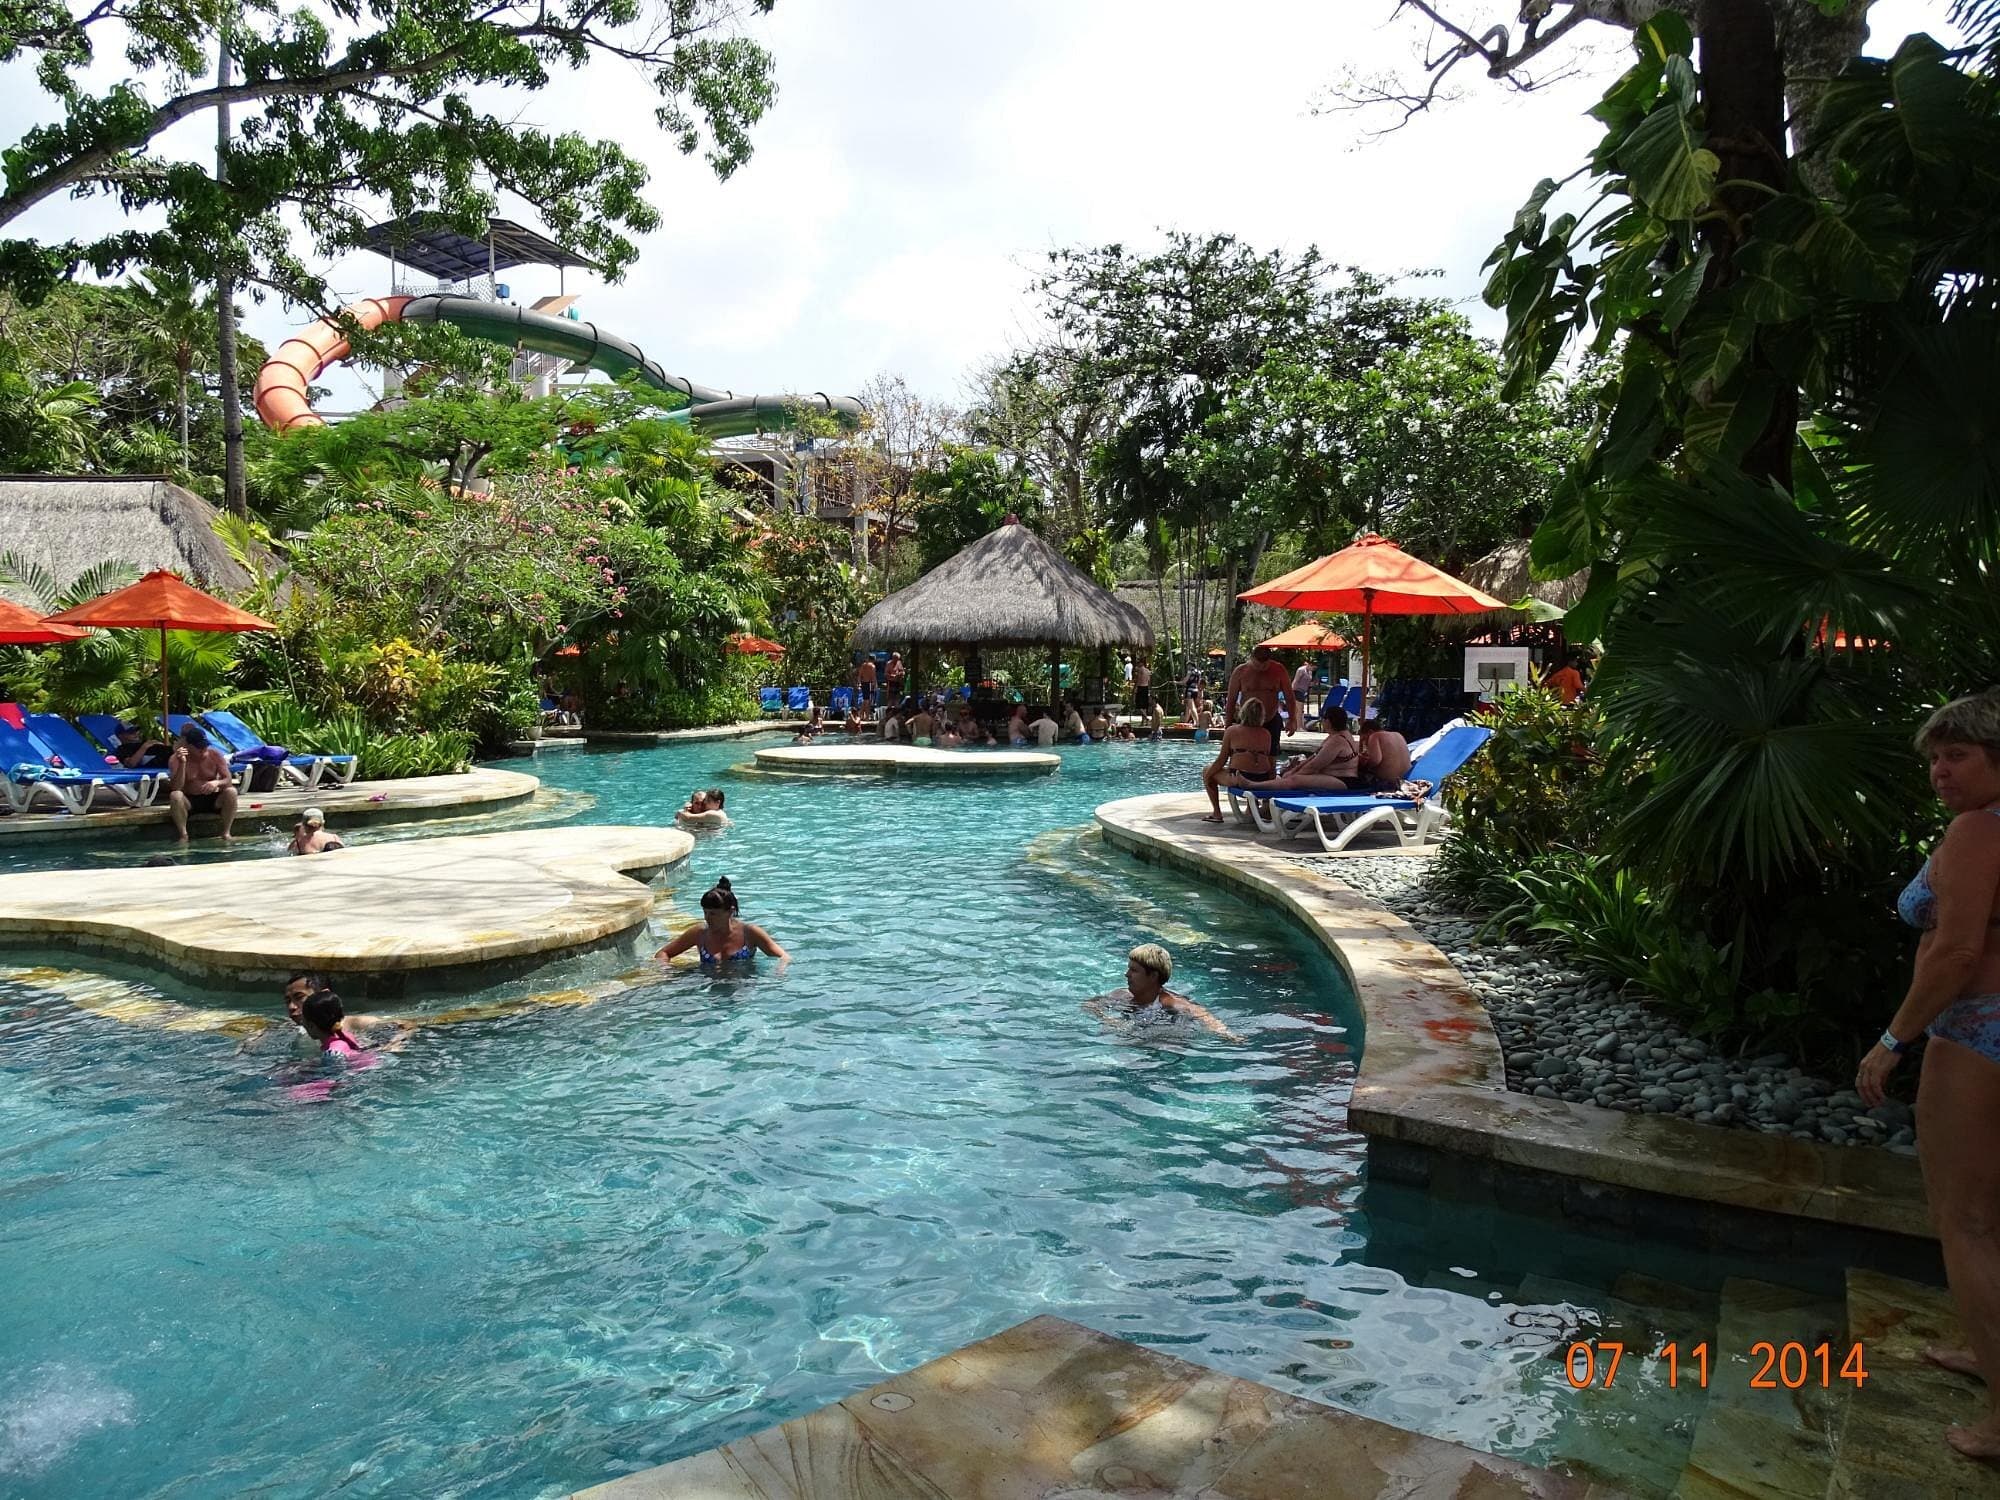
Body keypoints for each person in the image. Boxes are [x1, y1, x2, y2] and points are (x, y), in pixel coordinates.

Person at [1857, 691, 2000, 1461]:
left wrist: (1892, 1040)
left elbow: (1956, 953)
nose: (1941, 772)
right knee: (1996, 1215)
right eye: (1936, 758)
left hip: (1977, 1035)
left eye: (1960, 756)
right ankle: (1988, 1350)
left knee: (1965, 1222)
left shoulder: (1978, 829)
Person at [1089, 943, 1236, 1038]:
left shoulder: (1171, 1003)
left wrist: (1229, 1036)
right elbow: (1090, 1005)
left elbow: (1204, 1017)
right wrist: (1108, 1020)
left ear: (1153, 976)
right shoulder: (1120, 995)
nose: (1126, 974)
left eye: (1134, 970)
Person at [657, 876, 790, 969]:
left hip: (743, 990)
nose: (707, 918)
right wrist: (665, 971)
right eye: (705, 912)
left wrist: (779, 972)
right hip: (709, 988)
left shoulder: (750, 933)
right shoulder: (699, 933)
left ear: (730, 911)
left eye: (713, 914)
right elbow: (663, 953)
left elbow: (784, 957)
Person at [1201, 700, 1276, 822]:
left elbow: (1221, 760)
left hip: (1240, 777)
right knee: (1252, 768)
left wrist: (1208, 775)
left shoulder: (1232, 731)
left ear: (1243, 712)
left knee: (1207, 771)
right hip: (1262, 777)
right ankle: (1252, 808)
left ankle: (1217, 813)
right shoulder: (1266, 734)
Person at [167, 723, 238, 843]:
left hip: (212, 799)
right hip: (190, 801)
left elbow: (228, 780)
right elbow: (176, 787)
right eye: (199, 747)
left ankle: (226, 833)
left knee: (231, 791)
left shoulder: (215, 755)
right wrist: (182, 764)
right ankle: (184, 835)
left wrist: (216, 782)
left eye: (205, 746)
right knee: (175, 795)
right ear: (188, 746)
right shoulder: (175, 759)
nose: (203, 749)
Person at [1263, 708, 1361, 792]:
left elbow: (1313, 766)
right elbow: (1313, 758)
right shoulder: (1339, 736)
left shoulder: (1337, 741)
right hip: (1337, 778)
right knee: (1291, 774)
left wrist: (1293, 775)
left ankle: (1253, 786)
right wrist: (1294, 770)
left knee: (1294, 780)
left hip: (1343, 781)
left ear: (1328, 721)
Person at [1226, 645, 1293, 763]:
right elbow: (1231, 700)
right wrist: (1228, 726)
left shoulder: (1278, 670)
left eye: (1265, 664)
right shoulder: (1240, 671)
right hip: (1247, 721)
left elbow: (1289, 696)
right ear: (1252, 659)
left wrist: (1292, 720)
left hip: (1270, 719)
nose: (1262, 667)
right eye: (1258, 664)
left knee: (1270, 759)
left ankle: (1270, 778)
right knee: (1243, 756)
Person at [1352, 719, 1413, 793]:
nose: (1365, 743)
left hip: (1389, 783)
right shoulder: (1398, 735)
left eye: (1365, 739)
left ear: (1370, 732)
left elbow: (1375, 761)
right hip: (1406, 781)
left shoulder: (1375, 736)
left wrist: (1363, 762)